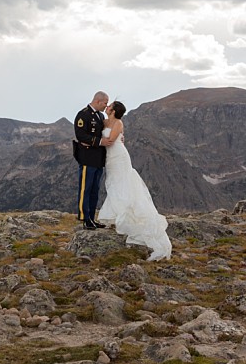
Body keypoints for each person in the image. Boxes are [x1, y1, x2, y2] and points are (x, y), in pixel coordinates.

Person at [97, 101, 172, 261]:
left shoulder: (118, 122)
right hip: (109, 158)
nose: (107, 106)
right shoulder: (105, 121)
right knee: (113, 184)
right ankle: (116, 214)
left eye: (109, 105)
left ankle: (125, 215)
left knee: (122, 183)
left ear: (114, 110)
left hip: (118, 156)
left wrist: (96, 142)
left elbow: (110, 139)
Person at [72, 91, 114, 230]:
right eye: (105, 103)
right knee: (86, 188)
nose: (105, 106)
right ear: (97, 101)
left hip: (98, 159)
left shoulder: (100, 116)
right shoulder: (83, 115)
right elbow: (81, 135)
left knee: (95, 190)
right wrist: (99, 141)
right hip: (87, 157)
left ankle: (92, 217)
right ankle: (85, 218)